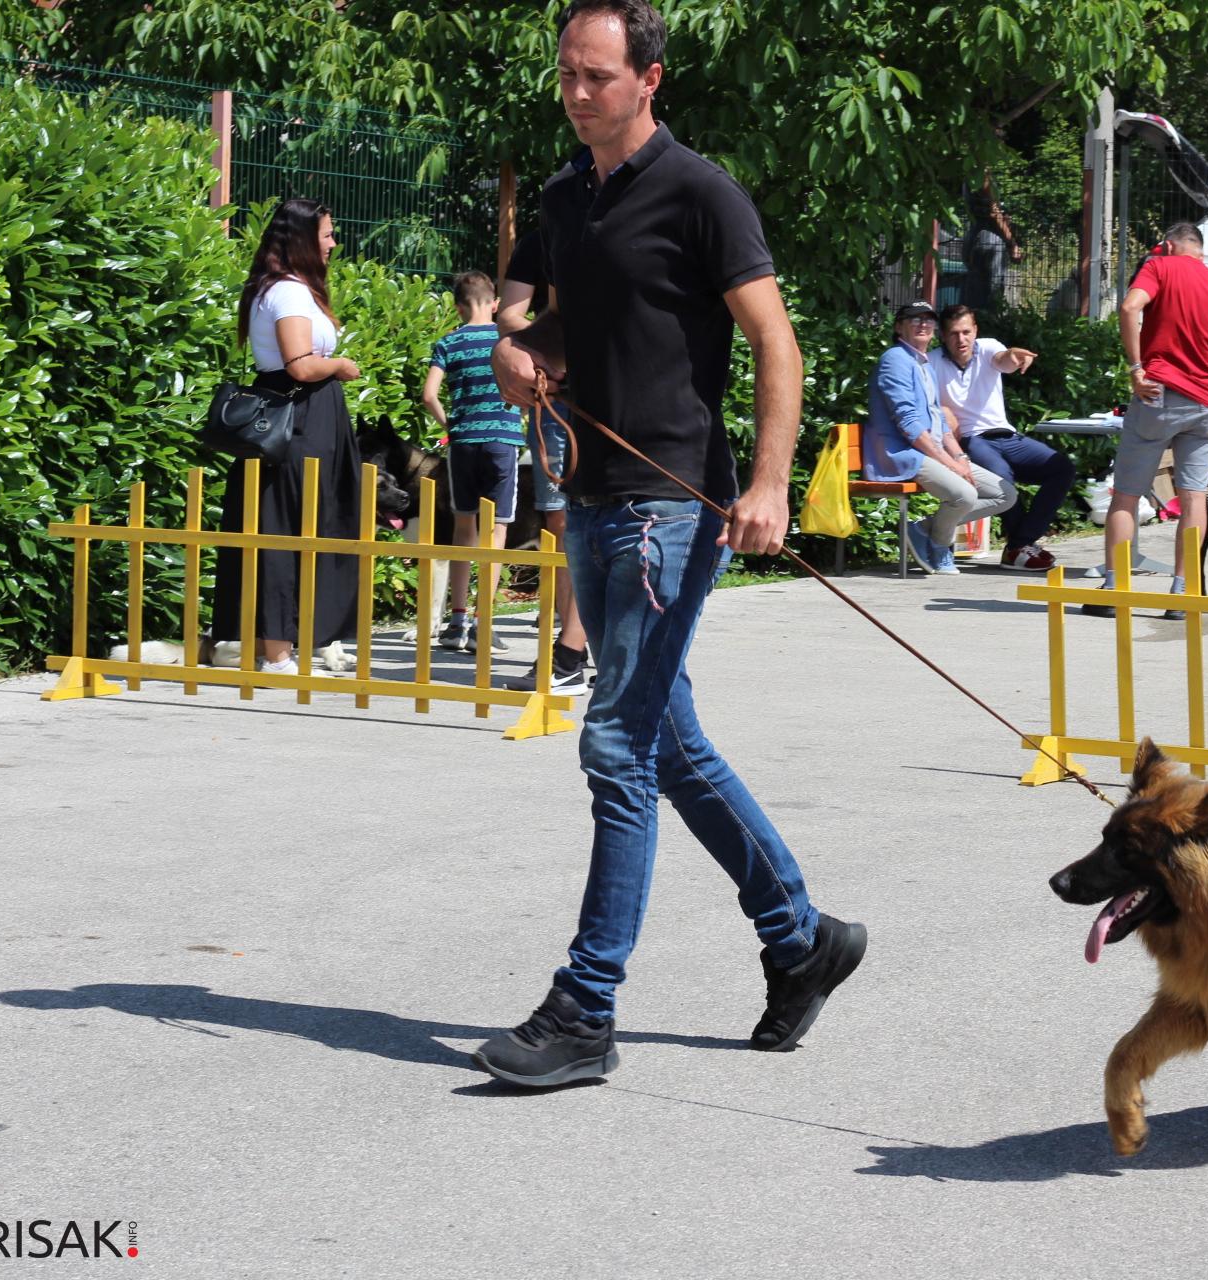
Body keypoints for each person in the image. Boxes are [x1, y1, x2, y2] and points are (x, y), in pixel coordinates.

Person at [477, 0, 865, 1087]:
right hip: (594, 496)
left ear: (650, 80)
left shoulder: (702, 193)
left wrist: (772, 483)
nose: (576, 93)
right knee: (668, 742)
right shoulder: (567, 196)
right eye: (566, 73)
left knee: (616, 746)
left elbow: (774, 341)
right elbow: (583, 328)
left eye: (597, 75)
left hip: (674, 504)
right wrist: (524, 351)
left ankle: (585, 1007)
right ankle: (801, 938)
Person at [211, 198, 362, 673]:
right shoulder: (290, 292)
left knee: (291, 526)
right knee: (285, 530)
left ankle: (285, 644)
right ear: (302, 240)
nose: (333, 243)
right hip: (300, 418)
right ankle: (278, 654)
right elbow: (300, 364)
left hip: (300, 416)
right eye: (326, 235)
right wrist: (339, 365)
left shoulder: (275, 288)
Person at [1087, 221, 1208, 620]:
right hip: (1207, 406)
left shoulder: (1160, 266)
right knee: (1193, 498)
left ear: (1169, 245)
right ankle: (1182, 593)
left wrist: (1136, 367)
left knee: (1126, 495)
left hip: (1158, 396)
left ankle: (1116, 589)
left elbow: (1130, 307)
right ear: (1201, 252)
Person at [495, 234, 592, 696]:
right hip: (557, 395)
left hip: (623, 395)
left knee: (607, 517)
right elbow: (509, 315)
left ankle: (579, 649)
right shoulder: (549, 229)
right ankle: (570, 649)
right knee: (564, 523)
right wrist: (545, 350)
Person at [863, 300, 1014, 574]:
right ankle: (941, 545)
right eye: (914, 319)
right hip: (903, 453)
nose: (923, 324)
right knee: (964, 495)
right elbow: (908, 424)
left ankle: (923, 529)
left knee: (1005, 494)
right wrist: (950, 464)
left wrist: (960, 457)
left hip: (929, 451)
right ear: (899, 327)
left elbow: (939, 420)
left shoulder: (923, 362)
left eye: (928, 319)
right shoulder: (895, 360)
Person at [422, 270, 524, 656]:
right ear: (495, 303)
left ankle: (456, 621)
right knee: (496, 529)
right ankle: (483, 623)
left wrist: (451, 425)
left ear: (458, 307)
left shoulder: (448, 343)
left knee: (464, 526)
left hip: (463, 442)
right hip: (501, 441)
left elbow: (429, 395)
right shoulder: (508, 339)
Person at [934, 304, 1076, 572]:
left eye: (966, 332)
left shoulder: (987, 347)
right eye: (953, 333)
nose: (961, 339)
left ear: (975, 331)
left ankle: (1019, 544)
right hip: (971, 439)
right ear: (942, 335)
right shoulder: (932, 363)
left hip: (1007, 436)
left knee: (1062, 468)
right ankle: (1019, 548)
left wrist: (1015, 356)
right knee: (1001, 477)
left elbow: (1003, 360)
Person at [962, 172, 1021, 311]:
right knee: (993, 295)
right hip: (990, 239)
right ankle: (988, 323)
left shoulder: (968, 174)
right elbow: (993, 212)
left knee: (974, 294)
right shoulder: (982, 173)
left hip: (972, 236)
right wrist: (1012, 243)